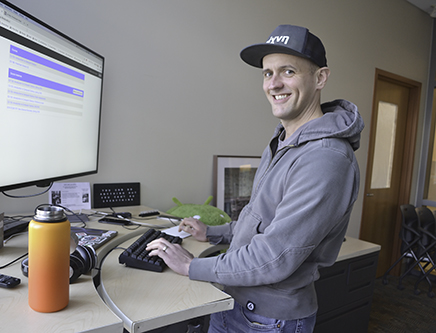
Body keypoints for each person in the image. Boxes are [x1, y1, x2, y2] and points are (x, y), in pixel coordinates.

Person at [147, 24, 364, 333]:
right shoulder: (283, 142)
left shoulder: (325, 158)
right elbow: (261, 222)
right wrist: (213, 232)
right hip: (238, 301)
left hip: (267, 320)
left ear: (320, 78)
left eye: (288, 72)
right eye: (267, 73)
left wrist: (191, 266)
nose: (273, 84)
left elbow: (274, 257)